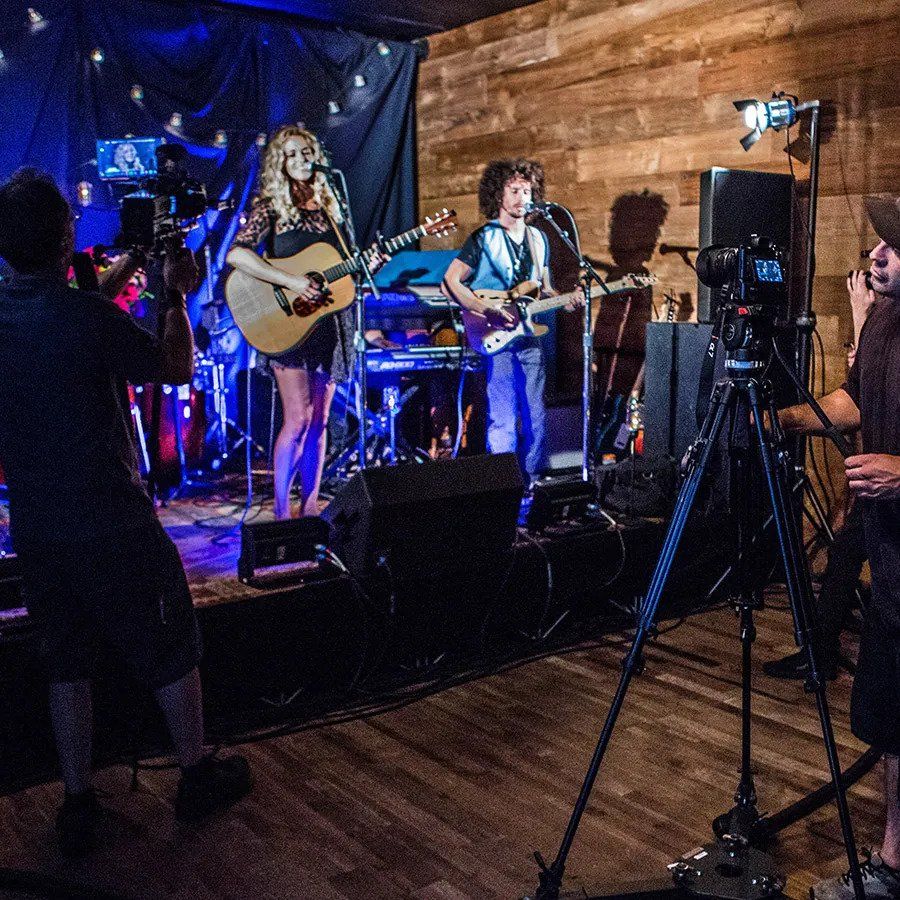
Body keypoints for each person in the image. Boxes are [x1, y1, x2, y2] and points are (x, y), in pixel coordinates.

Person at [0, 169, 251, 857]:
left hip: (38, 527)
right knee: (170, 642)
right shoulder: (87, 320)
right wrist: (173, 294)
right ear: (64, 239)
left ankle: (77, 802)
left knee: (67, 662)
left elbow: (72, 310)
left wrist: (129, 263)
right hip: (113, 520)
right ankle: (195, 774)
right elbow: (172, 366)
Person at [771, 196, 900, 900]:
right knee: (890, 722)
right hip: (892, 563)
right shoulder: (883, 316)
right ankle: (891, 866)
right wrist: (784, 419)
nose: (877, 254)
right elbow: (853, 398)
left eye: (894, 247)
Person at [226, 125, 385, 518]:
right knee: (297, 418)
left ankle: (310, 505)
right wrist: (292, 281)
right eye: (292, 154)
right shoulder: (271, 207)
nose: (301, 160)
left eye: (307, 152)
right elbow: (237, 254)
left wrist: (369, 264)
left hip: (329, 324)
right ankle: (282, 511)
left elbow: (341, 272)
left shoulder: (332, 208)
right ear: (280, 163)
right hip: (289, 324)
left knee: (320, 420)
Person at [763, 269, 876, 681]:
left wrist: (861, 315)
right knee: (845, 552)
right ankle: (820, 653)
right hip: (879, 482)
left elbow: (865, 391)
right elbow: (861, 387)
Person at [442, 158, 582, 483]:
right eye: (515, 190)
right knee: (502, 415)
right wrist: (483, 308)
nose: (522, 198)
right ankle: (502, 485)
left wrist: (566, 300)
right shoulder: (483, 238)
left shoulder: (538, 239)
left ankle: (531, 481)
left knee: (537, 414)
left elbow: (544, 289)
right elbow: (450, 281)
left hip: (529, 335)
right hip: (495, 334)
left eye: (527, 191)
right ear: (499, 194)